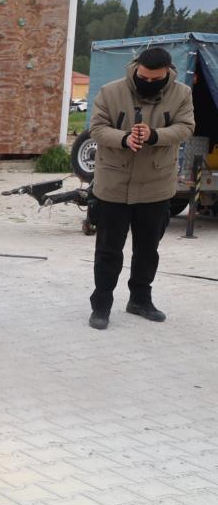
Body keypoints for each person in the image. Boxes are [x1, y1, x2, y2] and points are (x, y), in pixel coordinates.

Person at [87, 47, 196, 330]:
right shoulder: (110, 92)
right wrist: (124, 139)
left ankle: (140, 300)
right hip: (113, 186)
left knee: (148, 250)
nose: (147, 82)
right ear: (136, 68)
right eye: (143, 77)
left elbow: (186, 127)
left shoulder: (182, 93)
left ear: (167, 73)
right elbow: (97, 128)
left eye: (155, 79)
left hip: (155, 188)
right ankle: (101, 304)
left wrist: (155, 135)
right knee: (108, 251)